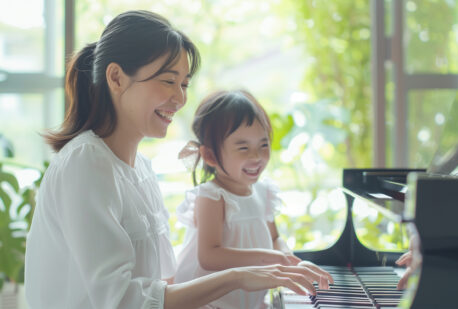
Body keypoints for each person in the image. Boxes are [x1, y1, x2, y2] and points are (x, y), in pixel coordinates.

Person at [24, 10, 331, 309]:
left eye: (184, 84)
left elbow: (163, 285)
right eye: (169, 81)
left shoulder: (141, 168)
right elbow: (121, 301)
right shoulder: (86, 163)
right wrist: (238, 277)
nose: (181, 98)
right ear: (116, 78)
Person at [174, 90, 333, 308]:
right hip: (210, 302)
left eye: (263, 145)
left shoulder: (263, 191)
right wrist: (272, 258)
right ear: (210, 156)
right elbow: (209, 256)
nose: (256, 157)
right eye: (243, 148)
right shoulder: (212, 195)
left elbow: (275, 238)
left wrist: (286, 255)